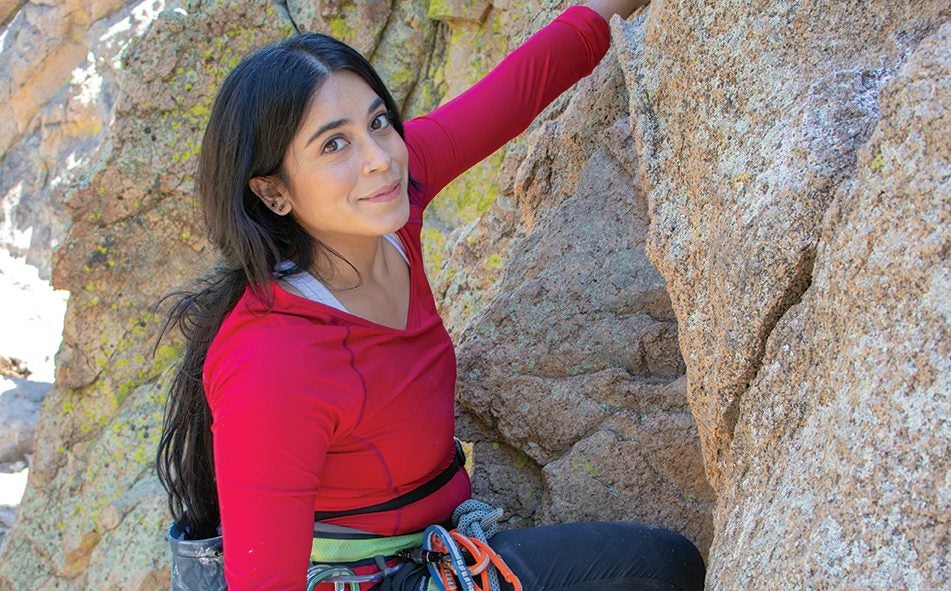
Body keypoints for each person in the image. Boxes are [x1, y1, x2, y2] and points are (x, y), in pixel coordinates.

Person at [156, 0, 706, 589]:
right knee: (651, 572)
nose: (379, 160)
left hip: (435, 543)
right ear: (272, 192)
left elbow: (518, 89)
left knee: (659, 566)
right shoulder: (270, 360)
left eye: (377, 122)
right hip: (366, 579)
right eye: (333, 145)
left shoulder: (392, 203)